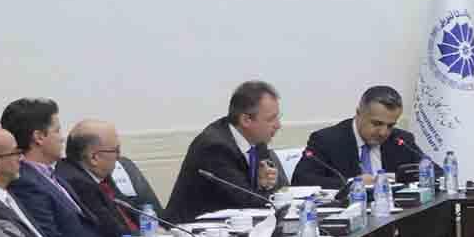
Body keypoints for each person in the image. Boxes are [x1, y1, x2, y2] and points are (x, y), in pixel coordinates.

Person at [0, 97, 114, 237]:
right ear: (39, 137)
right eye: (57, 131)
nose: (62, 138)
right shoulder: (25, 182)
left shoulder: (52, 173)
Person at [171, 79, 287, 218]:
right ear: (246, 120)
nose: (278, 125)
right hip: (191, 227)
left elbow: (280, 189)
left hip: (235, 224)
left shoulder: (257, 141)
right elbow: (245, 201)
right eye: (271, 119)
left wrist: (265, 185)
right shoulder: (214, 147)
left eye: (277, 117)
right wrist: (264, 188)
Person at [295, 86, 425, 189]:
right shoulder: (326, 140)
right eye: (377, 124)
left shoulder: (401, 140)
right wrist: (352, 183)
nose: (383, 132)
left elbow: (431, 170)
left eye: (390, 125)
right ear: (358, 113)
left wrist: (398, 178)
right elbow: (300, 180)